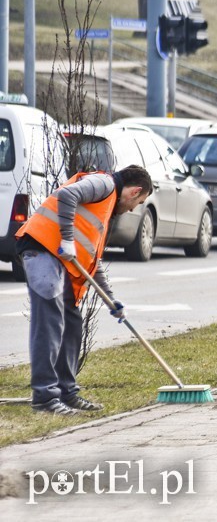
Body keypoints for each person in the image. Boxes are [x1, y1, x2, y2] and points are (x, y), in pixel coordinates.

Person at [16, 165, 153, 414]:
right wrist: (67, 238)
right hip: (42, 249)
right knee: (50, 321)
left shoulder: (107, 207)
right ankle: (45, 398)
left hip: (58, 257)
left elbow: (91, 261)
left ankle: (67, 393)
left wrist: (111, 300)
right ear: (135, 191)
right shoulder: (105, 184)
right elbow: (68, 195)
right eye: (139, 202)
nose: (134, 208)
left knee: (71, 322)